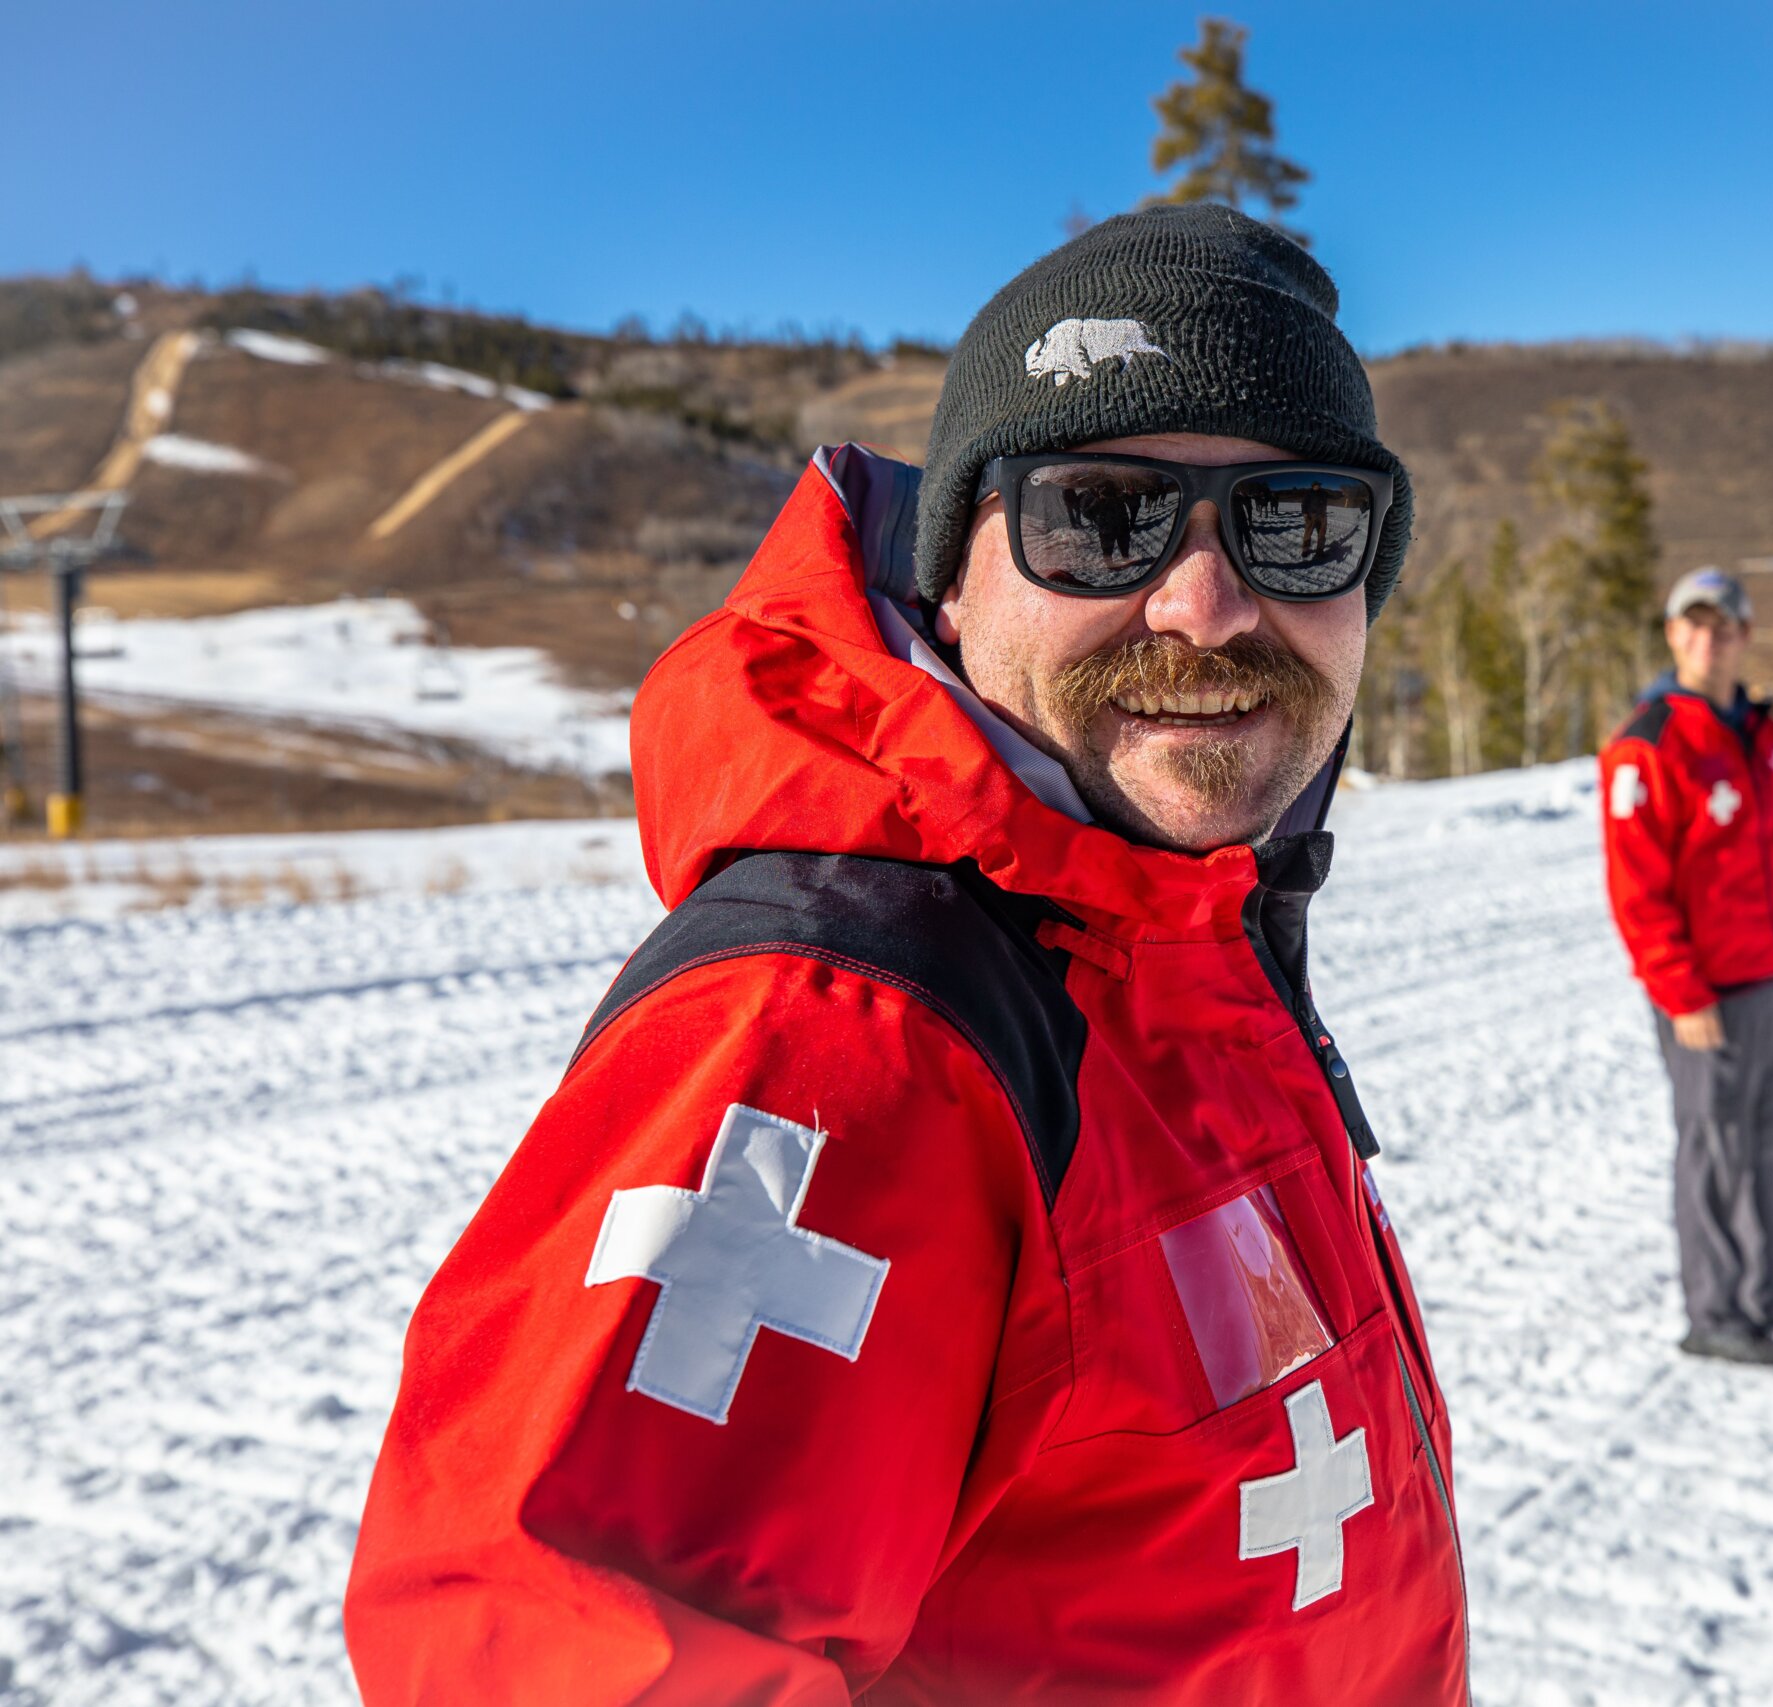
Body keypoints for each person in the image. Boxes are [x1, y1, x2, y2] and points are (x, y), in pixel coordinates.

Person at [344, 207, 1469, 1705]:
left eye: (1299, 522)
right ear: (955, 571)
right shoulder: (850, 1036)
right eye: (1102, 514)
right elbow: (574, 1649)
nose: (1206, 603)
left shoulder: (1177, 945)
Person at [1600, 568, 1773, 1370]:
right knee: (1715, 1147)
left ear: (1744, 635)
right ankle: (1718, 1309)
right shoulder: (1652, 737)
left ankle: (1765, 1288)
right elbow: (1636, 886)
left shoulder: (1757, 733)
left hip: (1764, 972)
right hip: (1704, 992)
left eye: (1723, 626)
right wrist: (1677, 988)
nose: (1708, 639)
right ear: (1673, 634)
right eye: (1693, 625)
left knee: (1765, 1138)